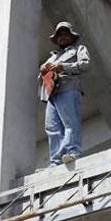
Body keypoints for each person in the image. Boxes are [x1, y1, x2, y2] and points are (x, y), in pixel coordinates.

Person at [39, 21, 90, 166]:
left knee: (70, 122)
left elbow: (85, 65)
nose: (63, 37)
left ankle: (73, 152)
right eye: (59, 35)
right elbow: (41, 77)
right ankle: (56, 161)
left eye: (66, 34)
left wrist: (63, 67)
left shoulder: (79, 49)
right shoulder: (51, 57)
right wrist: (43, 70)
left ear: (72, 36)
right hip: (52, 93)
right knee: (52, 127)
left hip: (68, 88)